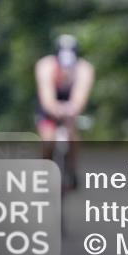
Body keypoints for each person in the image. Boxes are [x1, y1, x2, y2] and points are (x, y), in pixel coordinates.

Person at [34, 34, 94, 189]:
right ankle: (45, 170)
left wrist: (72, 110)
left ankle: (72, 169)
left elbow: (80, 97)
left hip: (70, 106)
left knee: (72, 136)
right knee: (48, 140)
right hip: (49, 107)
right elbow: (46, 96)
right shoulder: (45, 66)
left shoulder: (84, 69)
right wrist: (54, 109)